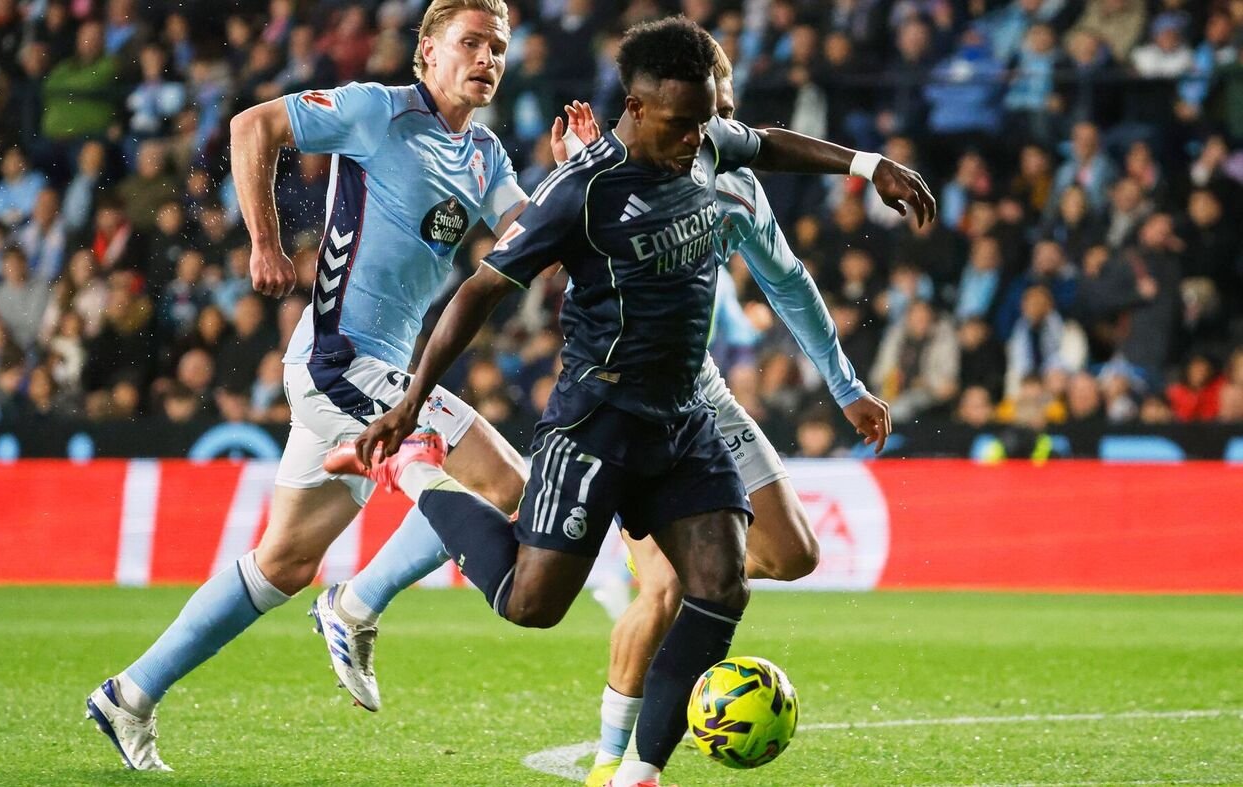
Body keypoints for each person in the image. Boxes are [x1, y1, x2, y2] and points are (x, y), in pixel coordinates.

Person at [332, 17, 932, 787]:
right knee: (530, 604)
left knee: (719, 585)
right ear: (638, 108)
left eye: (706, 121)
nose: (699, 139)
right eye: (683, 124)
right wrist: (412, 403)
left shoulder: (703, 139)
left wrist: (869, 165)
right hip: (598, 421)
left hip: (684, 417)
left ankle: (638, 772)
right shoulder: (581, 191)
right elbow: (479, 291)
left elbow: (768, 143)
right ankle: (417, 472)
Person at [83, 0, 581, 770]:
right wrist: (264, 241)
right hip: (340, 362)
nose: (487, 58)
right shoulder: (377, 111)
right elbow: (253, 126)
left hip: (370, 375)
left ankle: (130, 692)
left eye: (498, 47)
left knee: (281, 562)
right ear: (427, 50)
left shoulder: (484, 154)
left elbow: (529, 240)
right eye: (470, 42)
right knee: (506, 483)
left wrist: (573, 176)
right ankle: (355, 602)